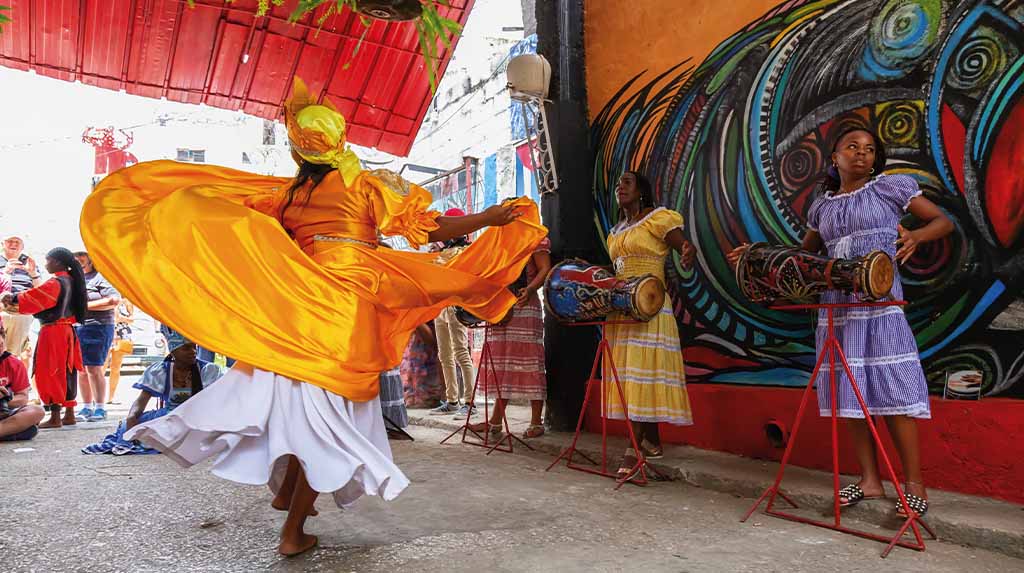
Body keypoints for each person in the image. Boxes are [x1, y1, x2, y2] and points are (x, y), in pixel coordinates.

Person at [80, 77, 547, 556]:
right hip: (345, 307)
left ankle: (286, 494)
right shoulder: (366, 184)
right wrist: (488, 218)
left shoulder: (287, 196)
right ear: (340, 139)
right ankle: (293, 531)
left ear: (298, 150)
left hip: (297, 305)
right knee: (327, 422)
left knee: (293, 403)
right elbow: (428, 229)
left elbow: (250, 228)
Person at [729, 127, 953, 517]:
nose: (862, 153)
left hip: (880, 303)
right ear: (835, 157)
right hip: (837, 309)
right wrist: (758, 257)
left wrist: (916, 237)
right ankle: (870, 480)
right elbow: (804, 259)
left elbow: (942, 222)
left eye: (870, 149)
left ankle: (914, 485)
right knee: (852, 394)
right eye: (852, 147)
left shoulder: (890, 188)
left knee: (893, 392)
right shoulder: (822, 207)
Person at [604, 171, 696, 479]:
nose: (620, 187)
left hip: (650, 306)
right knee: (634, 376)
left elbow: (684, 245)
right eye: (618, 184)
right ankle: (652, 441)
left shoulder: (657, 219)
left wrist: (687, 252)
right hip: (623, 309)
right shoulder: (616, 231)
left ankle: (633, 450)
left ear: (641, 190)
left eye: (627, 182)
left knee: (643, 371)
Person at [83, 327, 222, 455]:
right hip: (170, 417)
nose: (193, 351)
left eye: (194, 347)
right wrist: (132, 417)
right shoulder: (161, 371)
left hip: (199, 419)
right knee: (130, 425)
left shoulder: (208, 370)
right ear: (173, 351)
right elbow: (141, 401)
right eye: (187, 348)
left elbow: (218, 402)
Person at [468, 236, 551, 439]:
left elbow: (545, 269)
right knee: (502, 364)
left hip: (524, 305)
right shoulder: (498, 240)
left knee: (529, 363)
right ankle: (495, 421)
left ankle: (536, 421)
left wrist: (530, 289)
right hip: (502, 308)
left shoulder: (534, 238)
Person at [0, 247, 86, 429]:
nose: (46, 264)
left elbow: (34, 298)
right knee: (67, 370)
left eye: (48, 261)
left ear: (58, 262)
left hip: (53, 331)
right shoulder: (72, 280)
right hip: (67, 330)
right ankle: (69, 413)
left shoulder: (56, 282)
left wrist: (11, 297)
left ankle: (55, 416)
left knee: (50, 370)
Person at [429, 220, 476, 418]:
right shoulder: (440, 252)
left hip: (456, 306)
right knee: (444, 355)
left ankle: (470, 403)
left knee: (461, 353)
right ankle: (452, 401)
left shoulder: (466, 251)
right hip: (441, 307)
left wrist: (437, 253)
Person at [73, 251, 120, 422]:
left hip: (98, 327)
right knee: (81, 370)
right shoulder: (73, 279)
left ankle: (100, 408)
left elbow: (114, 300)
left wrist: (83, 306)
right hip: (77, 327)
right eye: (75, 257)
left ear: (91, 260)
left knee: (94, 369)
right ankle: (86, 407)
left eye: (82, 256)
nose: (78, 260)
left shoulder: (101, 277)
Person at [1, 235, 44, 361]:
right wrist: (6, 272)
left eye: (17, 242)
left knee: (12, 356)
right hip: (1, 310)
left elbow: (40, 291)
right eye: (10, 241)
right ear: (3, 244)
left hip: (21, 313)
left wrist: (33, 273)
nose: (13, 244)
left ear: (22, 246)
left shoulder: (29, 263)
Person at [0, 323, 46, 441]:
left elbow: (23, 398)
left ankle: (5, 431)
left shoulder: (14, 363)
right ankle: (11, 432)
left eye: (1, 345)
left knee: (37, 411)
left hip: (5, 413)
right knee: (29, 430)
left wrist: (5, 398)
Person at [104, 299, 135, 404]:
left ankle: (111, 397)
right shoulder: (109, 297)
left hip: (122, 334)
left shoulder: (127, 301)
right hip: (107, 332)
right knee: (102, 366)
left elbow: (132, 319)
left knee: (116, 367)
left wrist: (121, 318)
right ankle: (97, 396)